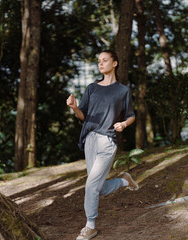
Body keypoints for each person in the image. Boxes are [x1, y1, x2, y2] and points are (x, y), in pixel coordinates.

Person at [66, 50, 139, 240]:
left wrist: (123, 124)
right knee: (97, 188)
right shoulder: (92, 88)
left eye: (105, 60)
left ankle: (90, 226)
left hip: (107, 141)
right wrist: (74, 107)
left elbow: (131, 115)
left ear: (115, 63)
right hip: (89, 139)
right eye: (99, 61)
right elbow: (83, 115)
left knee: (91, 185)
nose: (101, 63)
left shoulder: (122, 90)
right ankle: (125, 181)